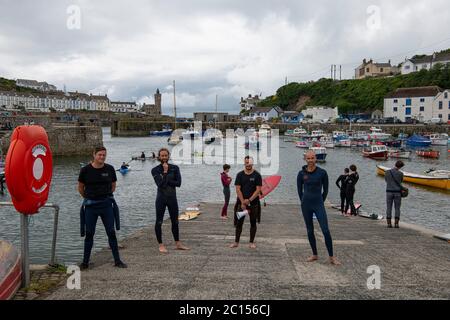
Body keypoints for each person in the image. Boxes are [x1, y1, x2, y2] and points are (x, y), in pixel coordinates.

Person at [78, 146, 127, 269]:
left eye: (104, 155)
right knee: (89, 234)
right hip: (91, 207)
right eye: (99, 154)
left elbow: (113, 186)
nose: (102, 157)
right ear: (94, 155)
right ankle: (85, 262)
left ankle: (117, 261)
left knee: (111, 233)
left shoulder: (109, 169)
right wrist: (89, 198)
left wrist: (104, 195)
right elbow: (80, 188)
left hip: (106, 206)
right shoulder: (85, 170)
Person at [297, 150, 340, 265]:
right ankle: (314, 254)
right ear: (305, 159)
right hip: (306, 205)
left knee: (325, 230)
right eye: (308, 158)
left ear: (315, 158)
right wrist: (303, 201)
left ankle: (331, 257)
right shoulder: (301, 174)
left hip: (318, 204)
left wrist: (321, 200)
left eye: (312, 158)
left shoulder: (322, 173)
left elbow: (325, 190)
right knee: (310, 230)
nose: (310, 160)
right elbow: (299, 191)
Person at [151, 148, 189, 253]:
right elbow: (160, 185)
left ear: (168, 156)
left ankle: (178, 243)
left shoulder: (175, 168)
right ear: (159, 157)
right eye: (162, 156)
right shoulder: (155, 170)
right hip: (161, 199)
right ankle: (161, 245)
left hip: (172, 198)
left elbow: (179, 183)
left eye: (165, 155)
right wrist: (165, 172)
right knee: (159, 221)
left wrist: (166, 178)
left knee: (175, 221)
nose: (164, 157)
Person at [230, 156, 262, 249]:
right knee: (239, 223)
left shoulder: (257, 175)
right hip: (242, 204)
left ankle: (251, 242)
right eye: (246, 163)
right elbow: (238, 189)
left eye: (249, 163)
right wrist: (243, 202)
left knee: (253, 223)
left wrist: (249, 200)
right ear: (244, 163)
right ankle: (236, 242)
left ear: (252, 163)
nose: (248, 164)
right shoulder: (240, 175)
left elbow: (258, 190)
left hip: (253, 203)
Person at [385, 160, 405, 228]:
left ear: (395, 164)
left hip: (389, 192)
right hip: (397, 193)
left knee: (389, 207)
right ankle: (396, 224)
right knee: (397, 208)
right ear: (401, 167)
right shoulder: (401, 174)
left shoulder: (387, 172)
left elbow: (386, 180)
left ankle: (389, 224)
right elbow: (401, 182)